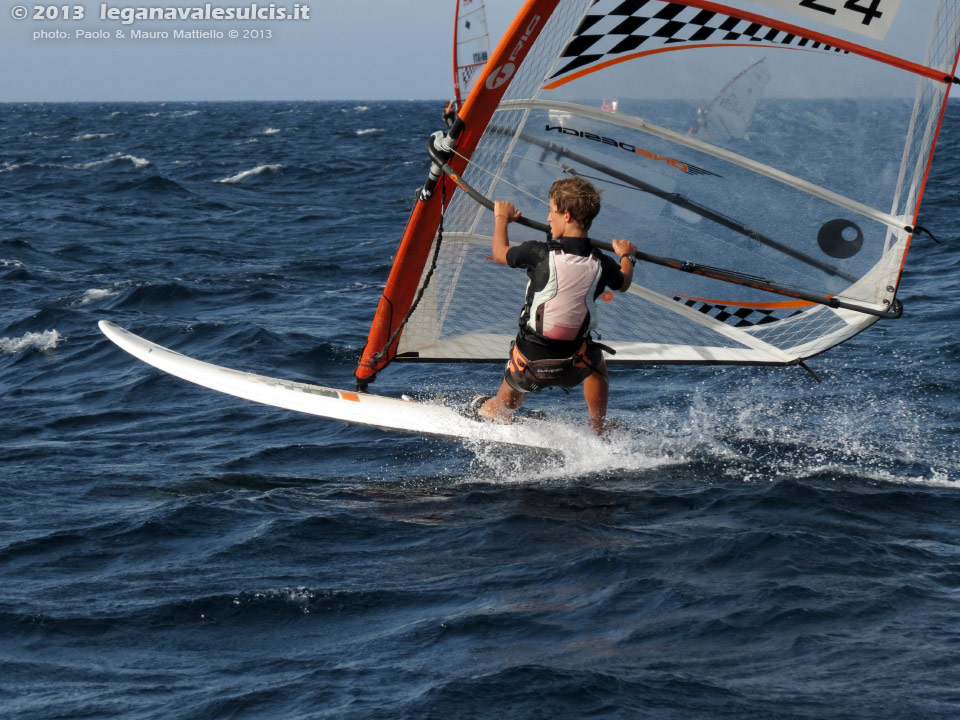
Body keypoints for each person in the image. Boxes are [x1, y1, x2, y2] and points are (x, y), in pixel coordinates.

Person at [475, 177, 637, 435]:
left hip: (529, 367)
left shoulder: (535, 253)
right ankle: (598, 426)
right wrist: (627, 255)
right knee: (597, 364)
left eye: (551, 211)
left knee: (514, 388)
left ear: (567, 215)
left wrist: (502, 218)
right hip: (575, 366)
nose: (548, 218)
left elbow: (499, 252)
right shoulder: (603, 263)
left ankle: (497, 410)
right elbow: (624, 281)